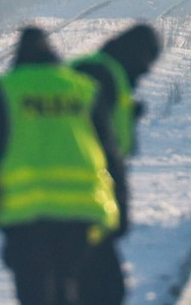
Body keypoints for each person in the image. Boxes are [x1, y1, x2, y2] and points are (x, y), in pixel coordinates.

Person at [0, 27, 121, 305]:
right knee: (69, 285)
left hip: (24, 213)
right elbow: (110, 151)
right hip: (80, 209)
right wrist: (120, 205)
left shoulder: (6, 89)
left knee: (34, 292)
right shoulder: (82, 88)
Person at [70, 24, 163, 305]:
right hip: (84, 193)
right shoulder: (100, 73)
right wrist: (120, 199)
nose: (147, 71)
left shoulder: (106, 70)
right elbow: (98, 137)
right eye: (148, 61)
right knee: (104, 289)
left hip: (90, 190)